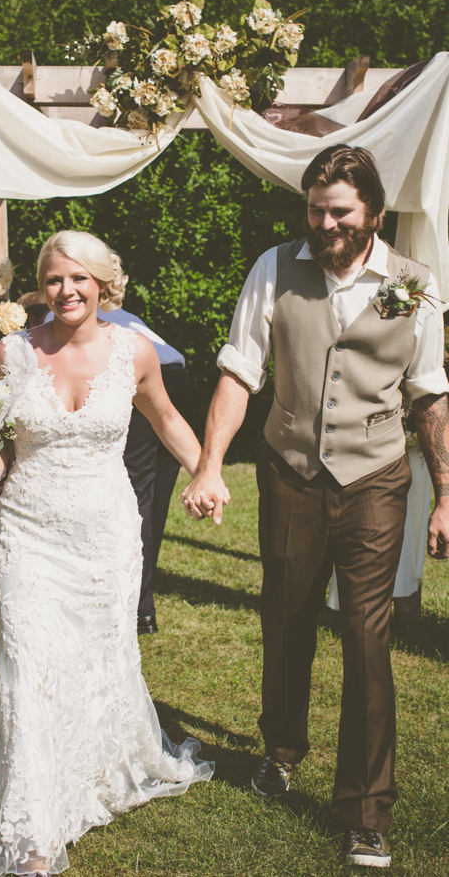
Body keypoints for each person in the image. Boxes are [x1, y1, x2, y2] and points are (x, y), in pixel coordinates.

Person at [182, 145, 449, 869]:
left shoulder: (415, 285)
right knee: (287, 613)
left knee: (367, 636)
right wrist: (209, 464)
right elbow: (239, 372)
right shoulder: (274, 267)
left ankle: (365, 811)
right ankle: (281, 750)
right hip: (290, 469)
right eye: (315, 208)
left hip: (375, 476)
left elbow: (428, 391)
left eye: (340, 211)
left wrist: (446, 496)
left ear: (374, 214)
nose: (324, 223)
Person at [0, 230, 213, 876]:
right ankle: (31, 831)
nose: (66, 290)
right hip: (28, 534)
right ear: (41, 286)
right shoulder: (11, 352)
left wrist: (207, 472)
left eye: (79, 278)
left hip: (105, 535)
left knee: (96, 659)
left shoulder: (134, 351)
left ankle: (88, 766)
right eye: (54, 279)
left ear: (103, 284)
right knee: (28, 663)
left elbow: (167, 419)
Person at [42, 304, 194, 634]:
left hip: (142, 383)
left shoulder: (61, 323)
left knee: (135, 494)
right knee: (153, 499)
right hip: (178, 378)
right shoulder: (128, 319)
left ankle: (136, 606)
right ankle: (143, 609)